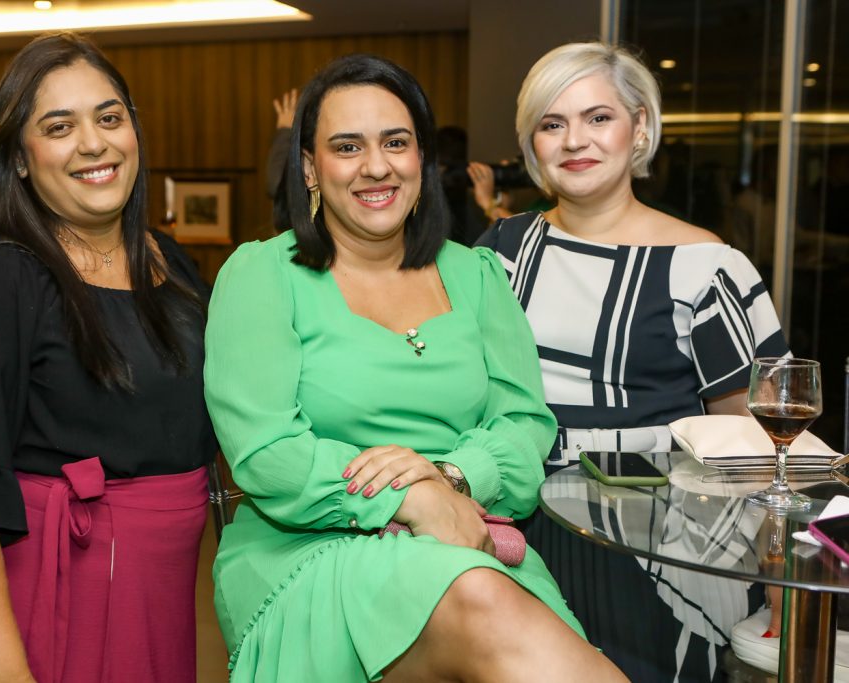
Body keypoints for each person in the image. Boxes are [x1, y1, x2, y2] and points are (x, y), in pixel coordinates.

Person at [204, 53, 627, 682]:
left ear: (421, 160)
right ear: (309, 166)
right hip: (312, 551)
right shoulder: (262, 274)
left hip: (468, 534)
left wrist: (449, 477)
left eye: (395, 142)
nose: (376, 166)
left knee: (484, 598)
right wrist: (410, 498)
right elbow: (267, 454)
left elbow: (524, 426)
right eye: (347, 146)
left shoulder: (477, 275)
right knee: (478, 599)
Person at [0, 32, 215, 683]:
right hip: (38, 605)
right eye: (59, 126)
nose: (93, 143)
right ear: (21, 159)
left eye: (109, 117)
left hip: (163, 600)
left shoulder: (173, 264)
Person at [475, 42, 790, 682]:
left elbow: (762, 443)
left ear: (639, 127)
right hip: (512, 525)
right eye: (551, 123)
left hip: (653, 541)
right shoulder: (502, 249)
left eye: (598, 118)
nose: (574, 141)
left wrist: (780, 575)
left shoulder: (707, 267)